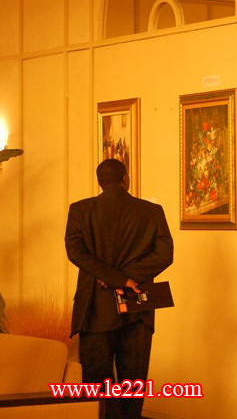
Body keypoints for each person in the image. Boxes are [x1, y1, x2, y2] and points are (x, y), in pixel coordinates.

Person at [65, 159, 173, 419]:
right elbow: (164, 254)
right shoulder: (152, 211)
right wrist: (125, 278)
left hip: (96, 308)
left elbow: (76, 252)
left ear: (99, 182)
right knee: (133, 383)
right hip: (138, 306)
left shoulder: (80, 210)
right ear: (126, 179)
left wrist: (112, 277)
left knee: (97, 386)